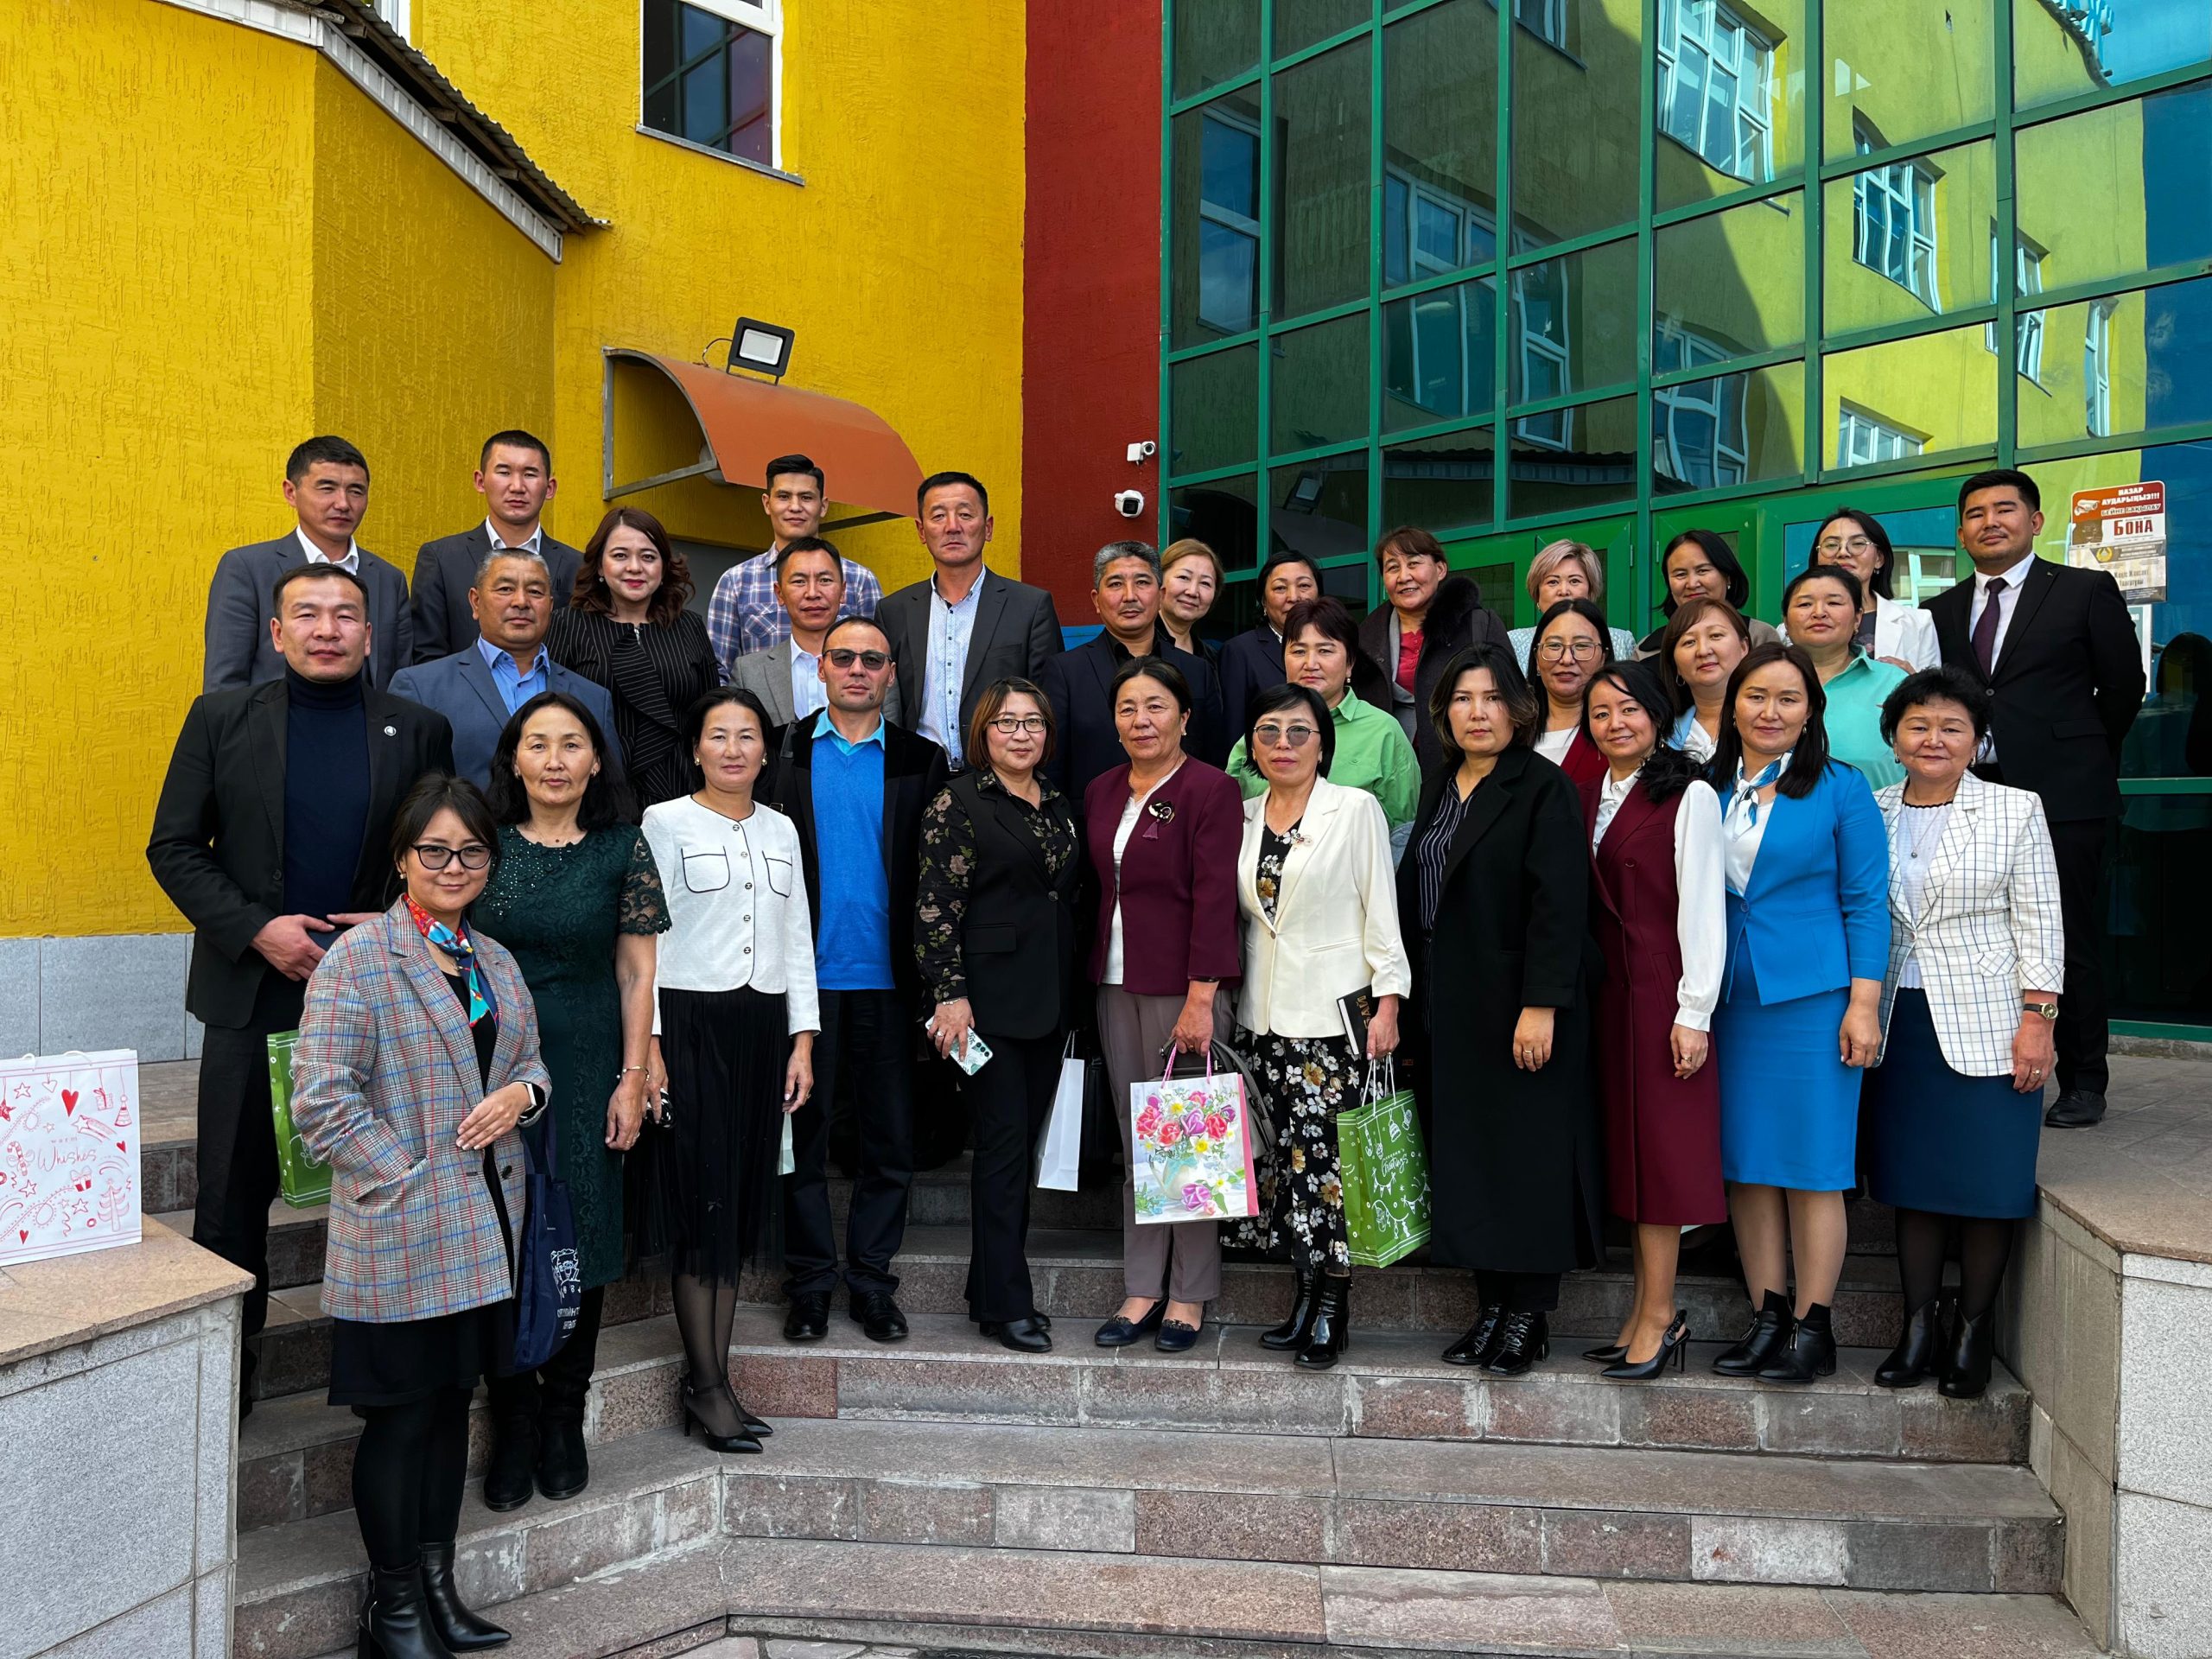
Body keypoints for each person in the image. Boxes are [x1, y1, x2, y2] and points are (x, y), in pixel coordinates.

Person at [148, 563, 454, 1412]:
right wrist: (258, 930)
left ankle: (381, 1386)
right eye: (308, 615)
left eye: (345, 615)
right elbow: (174, 847)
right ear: (277, 633)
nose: (327, 630)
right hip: (254, 993)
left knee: (385, 1188)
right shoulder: (220, 718)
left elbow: (440, 856)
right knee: (230, 1203)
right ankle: (227, 1395)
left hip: (375, 995)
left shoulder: (417, 729)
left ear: (370, 634)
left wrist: (391, 924)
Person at [290, 774, 547, 1658]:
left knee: (449, 1412)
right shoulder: (360, 959)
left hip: (484, 1231)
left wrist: (523, 1096)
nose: (452, 865)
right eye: (433, 850)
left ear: (489, 862)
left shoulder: (493, 963)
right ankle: (392, 1610)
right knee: (401, 1420)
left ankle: (439, 1590)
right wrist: (409, 1173)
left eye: (470, 851)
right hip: (402, 1228)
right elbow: (322, 1103)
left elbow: (533, 1066)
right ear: (403, 858)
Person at [472, 692, 668, 1509]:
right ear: (514, 760)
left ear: (596, 761)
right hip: (490, 1063)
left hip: (589, 1063)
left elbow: (636, 971)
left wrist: (634, 1075)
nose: (555, 760)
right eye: (538, 744)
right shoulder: (482, 844)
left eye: (572, 744)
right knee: (504, 1234)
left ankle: (563, 1415)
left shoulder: (623, 847)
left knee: (581, 1231)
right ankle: (513, 1420)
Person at [1862, 668, 2064, 1398]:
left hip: (1991, 1021)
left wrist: (2039, 1021)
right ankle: (1918, 1328)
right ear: (1894, 738)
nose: (1934, 739)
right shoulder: (1872, 809)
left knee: (1988, 1183)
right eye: (1918, 725)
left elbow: (2041, 920)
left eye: (1952, 727)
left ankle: (1973, 1331)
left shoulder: (2015, 809)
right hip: (1900, 1019)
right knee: (1913, 1183)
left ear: (1977, 741)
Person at [1398, 645, 1602, 1374]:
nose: (1476, 712)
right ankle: (1490, 1307)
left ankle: (1527, 1315)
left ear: (1518, 710)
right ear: (1444, 713)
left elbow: (1560, 906)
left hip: (1519, 1008)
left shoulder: (1543, 787)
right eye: (1462, 699)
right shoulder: (1439, 785)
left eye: (1490, 698)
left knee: (1527, 1158)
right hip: (1448, 1003)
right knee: (1472, 1159)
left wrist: (1541, 1004)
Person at [1925, 468, 2145, 1128]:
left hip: (2065, 794)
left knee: (2066, 934)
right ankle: (1995, 1063)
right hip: (1976, 794)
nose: (1990, 522)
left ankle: (2084, 1079)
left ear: (2035, 521)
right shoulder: (1941, 609)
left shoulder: (2083, 589)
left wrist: (2075, 751)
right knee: (1986, 933)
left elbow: (2124, 687)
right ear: (1961, 531)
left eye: (2005, 509)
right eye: (1976, 513)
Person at [758, 617, 950, 1344]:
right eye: (844, 658)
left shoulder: (921, 760)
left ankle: (871, 1282)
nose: (858, 670)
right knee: (801, 1142)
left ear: (891, 673)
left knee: (889, 1143)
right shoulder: (783, 752)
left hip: (891, 982)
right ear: (822, 668)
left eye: (873, 659)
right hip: (800, 984)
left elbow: (939, 878)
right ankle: (810, 1285)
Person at [1706, 643, 1889, 1385]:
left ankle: (1816, 1327)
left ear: (1811, 710)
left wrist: (1864, 1005)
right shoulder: (1706, 788)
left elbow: (1867, 902)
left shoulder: (1842, 789)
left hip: (1814, 1002)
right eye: (1756, 696)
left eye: (1788, 698)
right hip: (1729, 1001)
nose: (1770, 711)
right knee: (1748, 1167)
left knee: (1814, 1168)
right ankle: (1767, 1317)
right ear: (1733, 707)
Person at [642, 689, 817, 1454]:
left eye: (748, 736)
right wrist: (649, 1045)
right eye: (719, 735)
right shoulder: (664, 822)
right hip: (690, 1024)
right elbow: (643, 940)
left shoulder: (781, 828)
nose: (734, 749)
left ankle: (714, 1378)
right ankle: (706, 1385)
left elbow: (797, 933)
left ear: (765, 751)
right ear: (696, 749)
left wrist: (803, 1040)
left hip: (761, 1026)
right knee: (701, 1200)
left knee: (739, 1198)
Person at [1230, 683, 1410, 1370]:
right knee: (1286, 1168)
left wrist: (1389, 1002)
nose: (1283, 744)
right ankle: (1303, 1296)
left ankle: (1334, 1306)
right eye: (1269, 731)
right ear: (1252, 745)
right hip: (1261, 1018)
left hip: (1333, 1022)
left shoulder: (1354, 809)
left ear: (1322, 744)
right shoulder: (1243, 816)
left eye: (1299, 731)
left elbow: (1380, 910)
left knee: (1331, 1169)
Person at [913, 680, 1083, 1354]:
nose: (1021, 733)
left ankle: (990, 1294)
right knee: (1004, 1148)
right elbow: (934, 905)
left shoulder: (1058, 802)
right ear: (983, 732)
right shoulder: (958, 801)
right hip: (982, 1009)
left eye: (1033, 722)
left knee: (1016, 1149)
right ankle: (1009, 1303)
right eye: (1006, 722)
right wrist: (949, 994)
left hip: (1048, 1000)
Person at [1084, 658, 1243, 1354]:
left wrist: (1202, 995)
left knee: (1189, 1145)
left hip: (1184, 990)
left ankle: (1188, 1294)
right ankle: (1142, 1285)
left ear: (1184, 716)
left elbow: (1216, 897)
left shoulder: (1211, 789)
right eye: (1127, 708)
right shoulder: (1101, 790)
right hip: (1114, 984)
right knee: (1138, 1141)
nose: (1141, 720)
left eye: (1155, 706)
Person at [1576, 659, 1726, 1380]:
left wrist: (1694, 1010)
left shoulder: (1688, 793)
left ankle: (1662, 1316)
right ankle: (1641, 1311)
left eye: (1629, 708)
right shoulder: (1586, 793)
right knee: (1630, 1160)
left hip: (1664, 995)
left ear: (1658, 715)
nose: (1616, 723)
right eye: (1601, 712)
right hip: (1608, 997)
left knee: (1662, 1161)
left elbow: (1704, 907)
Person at [388, 548, 621, 788]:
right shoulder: (421, 688)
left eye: (535, 591)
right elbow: (400, 790)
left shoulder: (593, 698)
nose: (521, 602)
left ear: (550, 606)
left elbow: (611, 792)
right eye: (505, 589)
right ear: (476, 602)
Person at [876, 472, 1064, 769]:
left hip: (1002, 775)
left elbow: (1048, 706)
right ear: (921, 531)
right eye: (938, 516)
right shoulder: (894, 611)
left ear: (987, 528)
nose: (952, 527)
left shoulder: (1030, 607)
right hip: (919, 775)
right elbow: (890, 705)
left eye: (965, 514)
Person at [204, 435, 413, 690]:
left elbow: (401, 682)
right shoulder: (247, 569)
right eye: (327, 488)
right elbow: (224, 682)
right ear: (291, 492)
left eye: (356, 491)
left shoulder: (389, 579)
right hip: (274, 716)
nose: (343, 503)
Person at [547, 507, 721, 807]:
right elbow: (549, 713)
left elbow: (711, 714)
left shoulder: (690, 626)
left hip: (680, 791)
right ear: (600, 566)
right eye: (620, 556)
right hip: (596, 792)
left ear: (664, 567)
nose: (635, 567)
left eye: (648, 557)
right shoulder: (567, 624)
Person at [1038, 541, 1228, 796]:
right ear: (1096, 600)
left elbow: (1214, 761)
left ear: (1160, 595)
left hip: (1183, 815)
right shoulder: (1065, 671)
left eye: (1142, 582)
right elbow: (1051, 767)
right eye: (1116, 584)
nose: (1130, 596)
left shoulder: (1197, 670)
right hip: (1092, 818)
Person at [1226, 597, 1417, 846]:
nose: (1310, 664)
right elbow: (1229, 817)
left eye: (1325, 650)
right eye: (1298, 651)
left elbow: (1403, 835)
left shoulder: (1383, 732)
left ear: (1349, 664)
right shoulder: (1264, 730)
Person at [410, 431, 582, 663]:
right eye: (504, 472)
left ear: (550, 488)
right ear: (480, 481)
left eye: (530, 474)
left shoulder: (578, 565)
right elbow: (427, 657)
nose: (517, 486)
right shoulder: (441, 559)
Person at [703, 454, 882, 674]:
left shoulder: (860, 580)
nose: (795, 507)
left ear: (823, 506)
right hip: (762, 697)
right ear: (767, 504)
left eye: (806, 497)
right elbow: (718, 671)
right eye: (784, 497)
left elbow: (878, 662)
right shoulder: (736, 582)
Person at [1357, 526, 1511, 772]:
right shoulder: (1365, 637)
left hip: (1467, 767)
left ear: (1440, 570)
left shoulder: (1479, 625)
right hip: (1387, 772)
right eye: (1393, 567)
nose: (1404, 576)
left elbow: (1511, 697)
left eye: (1414, 564)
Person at [728, 537, 905, 728]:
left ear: (843, 591)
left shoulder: (875, 665)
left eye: (825, 580)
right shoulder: (749, 672)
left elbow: (892, 736)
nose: (812, 593)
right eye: (799, 581)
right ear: (779, 594)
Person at [1781, 565, 1909, 789]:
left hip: (1879, 811)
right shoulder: (1762, 683)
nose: (1819, 612)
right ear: (1786, 622)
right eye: (1805, 604)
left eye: (1834, 603)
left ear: (1858, 618)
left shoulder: (1895, 683)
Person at [1805, 507, 1937, 671]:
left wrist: (1913, 680)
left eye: (1858, 544)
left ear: (1879, 559)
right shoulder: (1792, 627)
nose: (1843, 552)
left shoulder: (1918, 623)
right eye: (1831, 545)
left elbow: (1934, 687)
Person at [1215, 551, 1320, 738]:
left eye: (1304, 585)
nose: (1294, 597)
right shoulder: (1240, 651)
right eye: (1280, 588)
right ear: (1264, 601)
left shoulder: (1334, 648)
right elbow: (1232, 731)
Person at [1636, 529, 1783, 658]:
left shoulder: (1759, 637)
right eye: (1680, 574)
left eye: (1702, 571)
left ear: (1728, 576)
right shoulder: (1647, 651)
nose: (1692, 584)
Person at [1506, 540, 1637, 670]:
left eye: (1574, 581)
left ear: (1590, 590)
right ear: (1537, 593)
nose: (1564, 591)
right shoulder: (1514, 642)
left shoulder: (1620, 641)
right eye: (1553, 582)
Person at [1526, 599, 1612, 787]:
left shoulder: (1620, 729)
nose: (1566, 659)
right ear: (1537, 659)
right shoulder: (1511, 730)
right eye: (1554, 646)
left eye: (1581, 646)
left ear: (1603, 659)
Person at [1658, 596, 1753, 763]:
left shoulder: (1771, 721)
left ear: (1743, 648)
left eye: (1716, 635)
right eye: (1689, 642)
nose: (1703, 651)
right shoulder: (1662, 737)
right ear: (1676, 665)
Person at [1158, 538, 1224, 659]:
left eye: (1205, 583)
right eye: (1183, 577)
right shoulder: (1136, 642)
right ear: (1159, 580)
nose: (1192, 592)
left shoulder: (1212, 658)